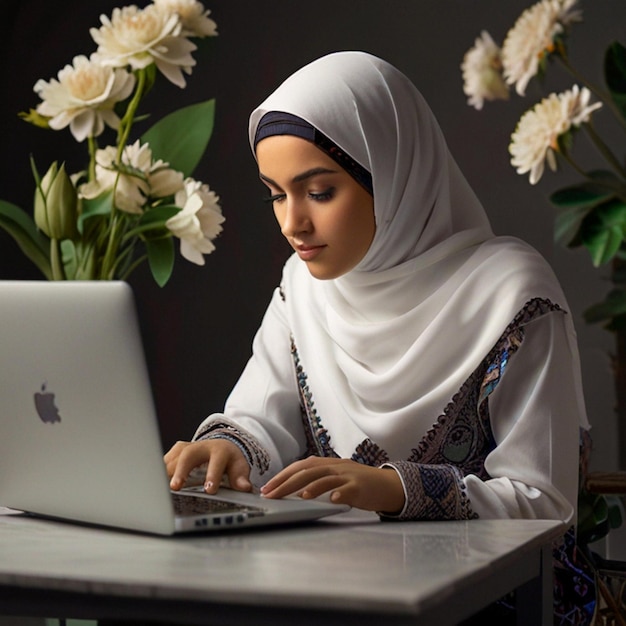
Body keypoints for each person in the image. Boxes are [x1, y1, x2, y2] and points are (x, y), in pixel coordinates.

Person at [165, 51, 594, 624]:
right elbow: (261, 417)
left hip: (493, 602)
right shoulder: (305, 289)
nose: (293, 222)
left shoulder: (511, 293)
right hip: (338, 588)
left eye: (318, 191)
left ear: (392, 175)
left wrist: (395, 489)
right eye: (275, 193)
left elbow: (545, 503)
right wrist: (229, 449)